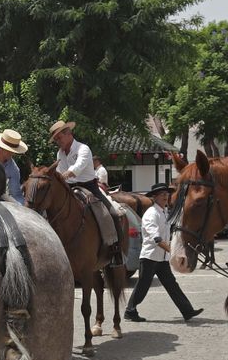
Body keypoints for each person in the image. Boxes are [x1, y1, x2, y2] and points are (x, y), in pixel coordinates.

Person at [123, 183, 202, 323]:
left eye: (167, 194)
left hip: (162, 257)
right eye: (162, 194)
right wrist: (173, 251)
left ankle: (187, 311)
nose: (166, 196)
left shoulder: (164, 212)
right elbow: (156, 238)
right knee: (143, 285)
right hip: (150, 257)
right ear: (154, 197)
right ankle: (130, 310)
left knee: (172, 284)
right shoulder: (151, 213)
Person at [49, 121, 121, 260]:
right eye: (56, 139)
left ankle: (116, 249)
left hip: (90, 187)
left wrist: (63, 175)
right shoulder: (60, 154)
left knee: (112, 213)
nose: (58, 141)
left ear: (68, 133)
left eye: (59, 138)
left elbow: (78, 166)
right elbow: (58, 170)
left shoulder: (83, 149)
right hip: (69, 188)